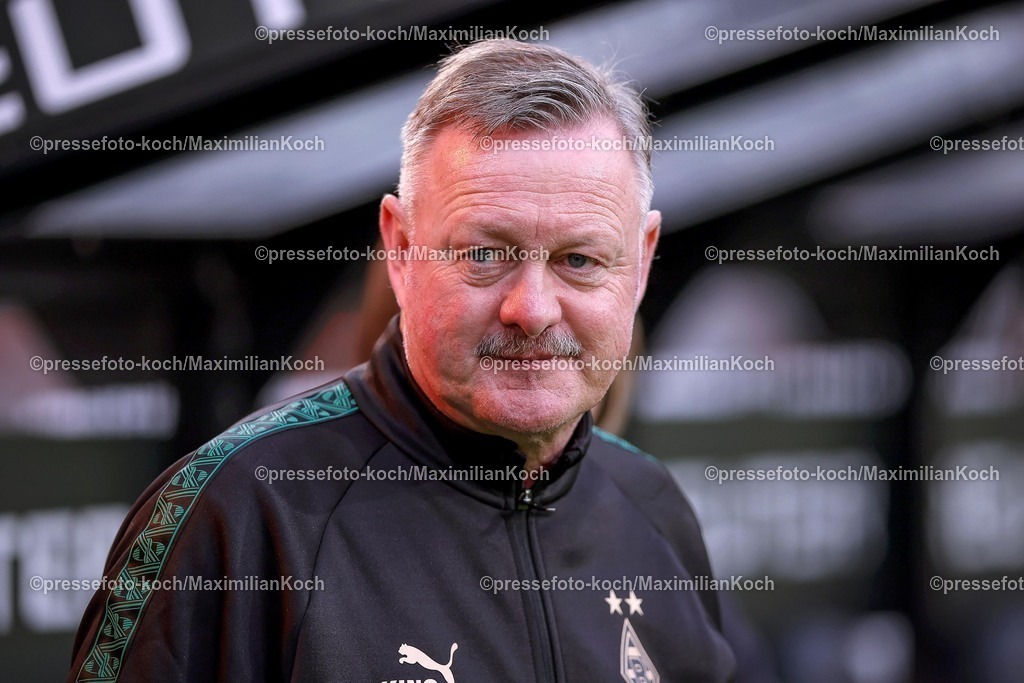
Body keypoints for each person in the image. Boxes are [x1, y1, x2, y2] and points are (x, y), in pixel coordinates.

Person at [68, 40, 736, 682]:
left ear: (643, 261)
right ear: (401, 247)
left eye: (579, 260)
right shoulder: (233, 514)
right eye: (484, 253)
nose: (531, 308)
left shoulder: (656, 509)